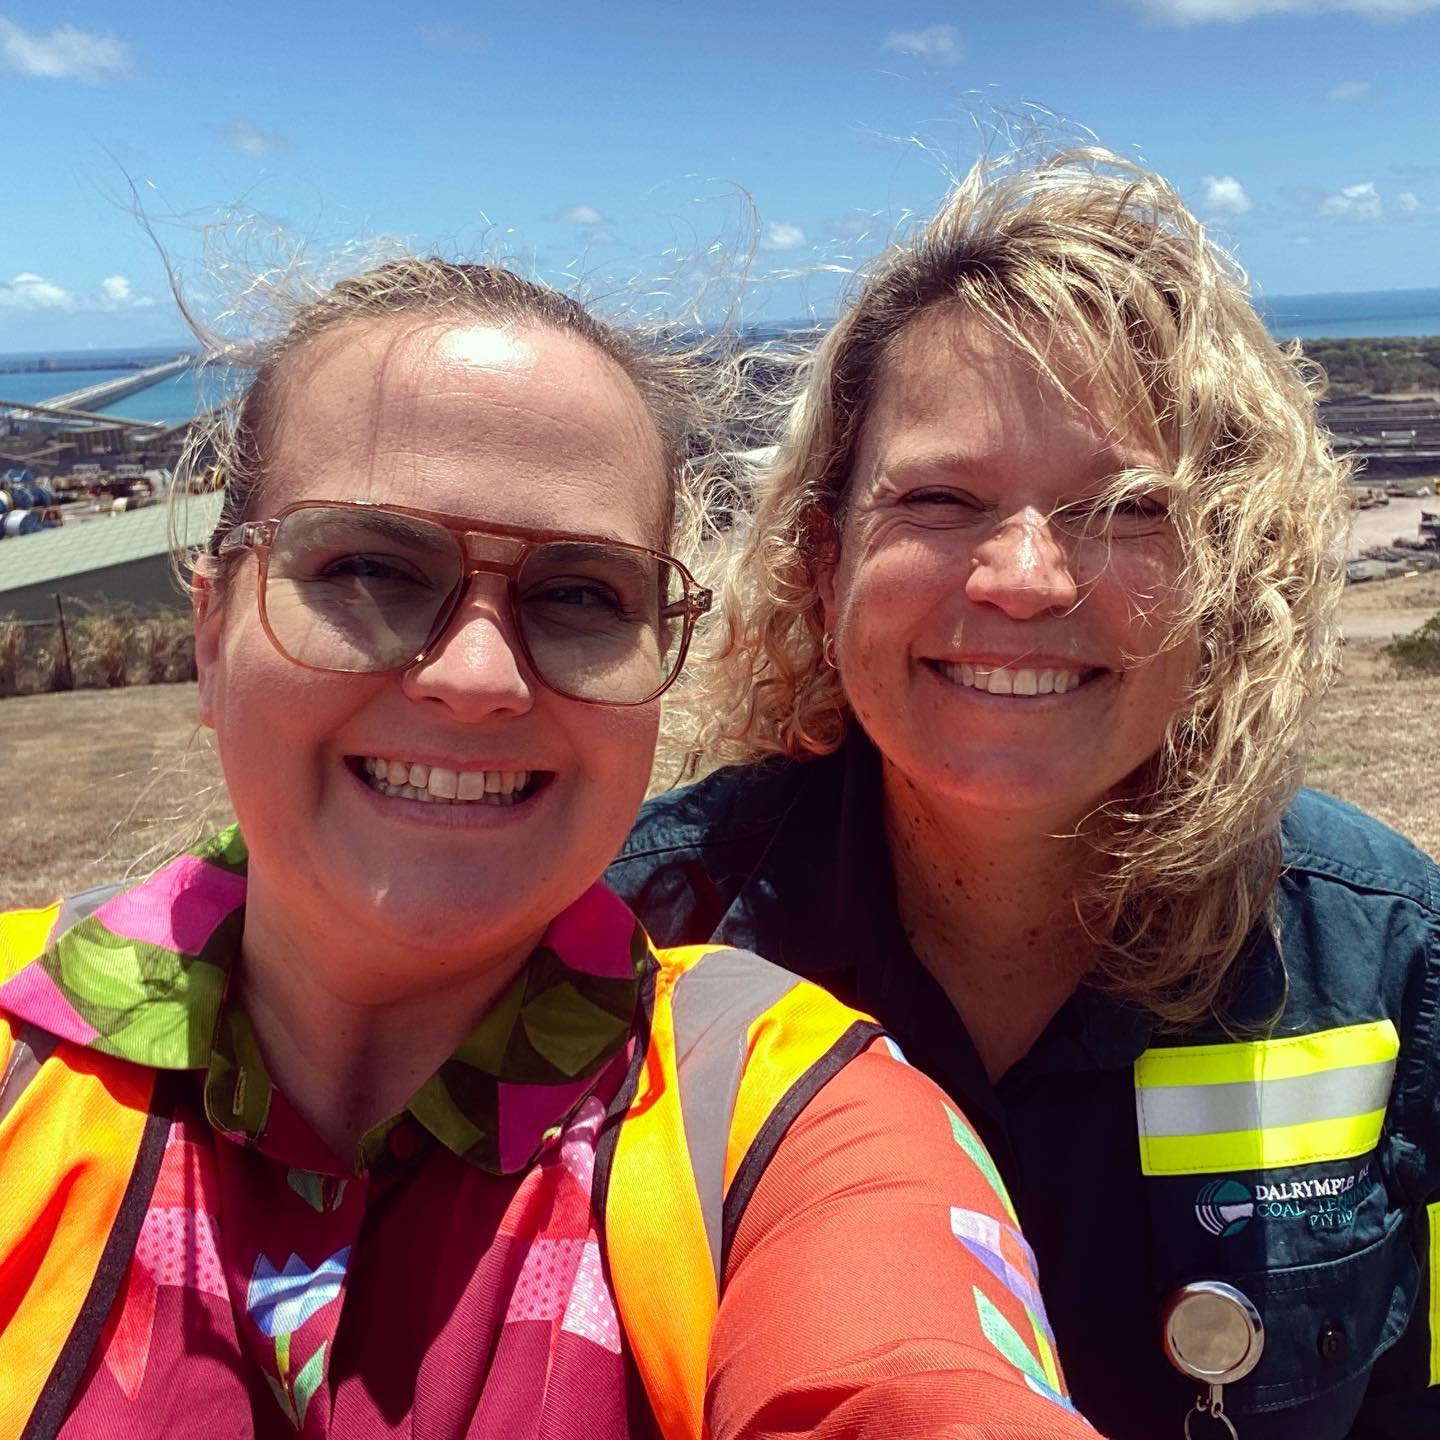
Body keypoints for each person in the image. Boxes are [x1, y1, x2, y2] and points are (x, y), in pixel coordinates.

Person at [0, 259, 1099, 1440]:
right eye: (369, 567)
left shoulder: (781, 1120)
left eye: (580, 594)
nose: (476, 678)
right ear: (212, 631)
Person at [610, 151, 1440, 1440]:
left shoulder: (1386, 955)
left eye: (1120, 507)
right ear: (825, 562)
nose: (1023, 577)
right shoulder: (645, 942)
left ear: (1225, 571)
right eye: (940, 499)